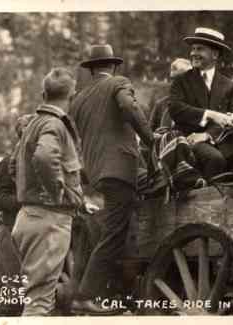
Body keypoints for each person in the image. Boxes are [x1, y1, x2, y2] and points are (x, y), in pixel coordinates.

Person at [69, 44, 154, 314]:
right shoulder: (119, 82)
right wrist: (152, 139)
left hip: (96, 172)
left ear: (92, 69)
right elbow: (128, 106)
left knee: (117, 226)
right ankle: (84, 296)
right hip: (119, 169)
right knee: (114, 234)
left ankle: (121, 289)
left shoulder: (79, 99)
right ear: (113, 66)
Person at [11, 68, 83, 316]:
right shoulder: (54, 124)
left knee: (35, 300)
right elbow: (43, 157)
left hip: (29, 217)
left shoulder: (33, 124)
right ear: (72, 94)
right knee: (40, 304)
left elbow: (13, 165)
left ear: (43, 94)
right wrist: (57, 193)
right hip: (48, 219)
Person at [169, 27, 233, 181]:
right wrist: (209, 114)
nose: (193, 53)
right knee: (215, 159)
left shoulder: (228, 85)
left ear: (215, 54)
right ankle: (208, 202)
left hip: (218, 139)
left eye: (200, 49)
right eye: (192, 49)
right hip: (186, 139)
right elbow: (175, 108)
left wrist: (206, 135)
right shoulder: (181, 80)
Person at [0, 114, 33, 316]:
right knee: (11, 297)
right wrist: (24, 200)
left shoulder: (43, 164)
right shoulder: (7, 163)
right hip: (10, 232)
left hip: (36, 234)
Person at [149, 58, 192, 131]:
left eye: (178, 79)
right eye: (172, 79)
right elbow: (147, 137)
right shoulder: (160, 105)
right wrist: (157, 135)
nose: (173, 83)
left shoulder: (201, 104)